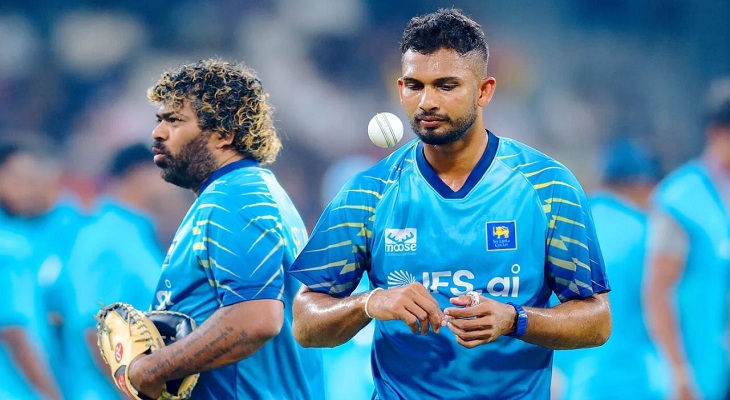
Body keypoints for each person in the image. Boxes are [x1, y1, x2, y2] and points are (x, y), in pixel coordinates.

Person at [288, 8, 611, 400]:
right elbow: (305, 322)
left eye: (445, 86)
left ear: (484, 91)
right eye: (414, 85)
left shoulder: (548, 187)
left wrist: (515, 319)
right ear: (400, 88)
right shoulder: (368, 193)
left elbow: (597, 321)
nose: (426, 102)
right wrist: (369, 302)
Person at [123, 58, 323, 399]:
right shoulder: (248, 191)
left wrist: (151, 369)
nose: (157, 133)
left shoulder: (235, 196)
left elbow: (256, 318)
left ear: (224, 134)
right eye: (159, 120)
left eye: (175, 120)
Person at [552, 137, 669, 400]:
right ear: (643, 184)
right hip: (638, 384)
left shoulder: (567, 230)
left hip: (577, 387)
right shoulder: (647, 233)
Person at [57, 143, 171, 399]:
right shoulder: (106, 237)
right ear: (139, 174)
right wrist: (133, 395)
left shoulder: (137, 233)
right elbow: (94, 326)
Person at [644, 77, 730, 400]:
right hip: (699, 371)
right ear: (717, 132)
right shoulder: (681, 200)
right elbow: (657, 291)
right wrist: (678, 371)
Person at [0, 142, 68, 400]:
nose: (27, 187)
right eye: (17, 177)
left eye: (32, 178)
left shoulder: (22, 236)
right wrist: (51, 394)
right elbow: (13, 331)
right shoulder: (8, 247)